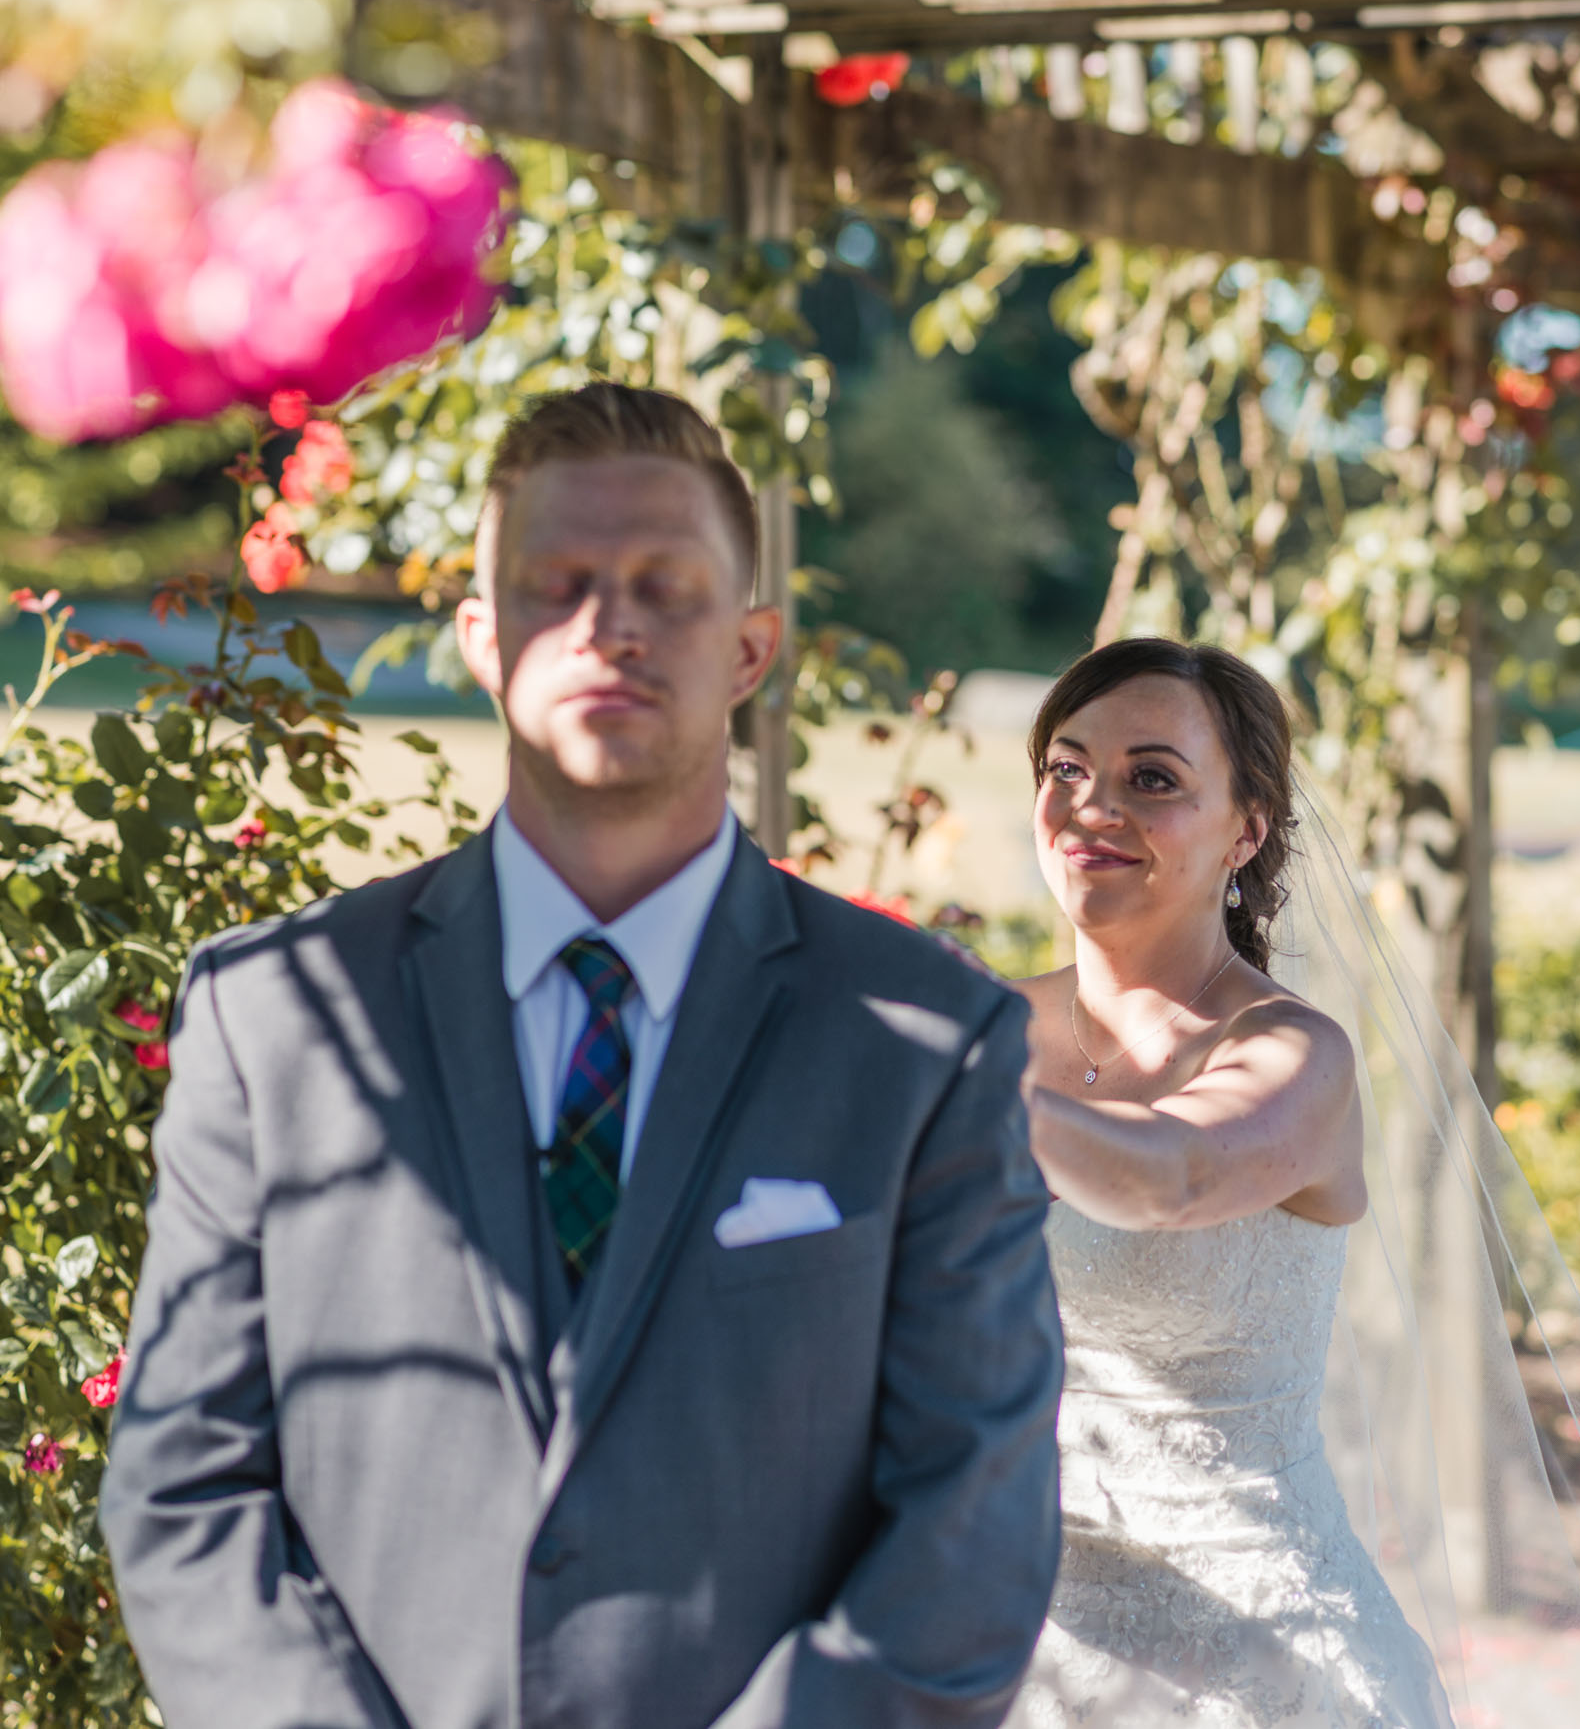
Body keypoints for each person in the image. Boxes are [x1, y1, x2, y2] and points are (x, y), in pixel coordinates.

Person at [101, 382, 1064, 1729]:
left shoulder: (927, 1046)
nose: (609, 624)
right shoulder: (272, 1017)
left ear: (748, 647)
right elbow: (182, 1484)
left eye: (666, 587)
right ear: (483, 642)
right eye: (558, 584)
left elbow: (976, 1522)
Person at [1012, 637, 1454, 1729]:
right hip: (1012, 1643)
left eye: (1150, 778)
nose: (1090, 806)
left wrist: (947, 1077)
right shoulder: (980, 1019)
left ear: (1245, 829)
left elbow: (1169, 1175)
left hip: (1256, 1669)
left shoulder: (1292, 1055)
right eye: (1065, 769)